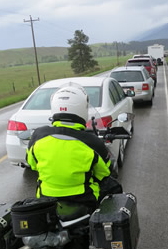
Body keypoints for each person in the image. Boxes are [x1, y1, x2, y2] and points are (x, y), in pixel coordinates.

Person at [26, 84, 115, 213]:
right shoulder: (91, 142)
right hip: (84, 203)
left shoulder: (38, 136)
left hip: (46, 202)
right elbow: (105, 172)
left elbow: (32, 164)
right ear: (82, 108)